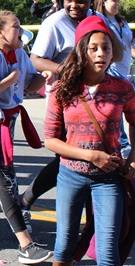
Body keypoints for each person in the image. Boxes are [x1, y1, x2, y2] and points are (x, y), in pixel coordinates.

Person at [44, 15, 135, 265]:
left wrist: (133, 159)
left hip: (108, 179)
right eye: (93, 48)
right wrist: (90, 155)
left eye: (106, 48)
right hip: (70, 175)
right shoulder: (62, 88)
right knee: (64, 246)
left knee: (108, 253)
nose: (100, 54)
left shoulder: (123, 87)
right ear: (82, 51)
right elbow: (50, 140)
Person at [0, 10, 54, 264]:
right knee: (6, 178)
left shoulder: (18, 53)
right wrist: (10, 80)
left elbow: (29, 85)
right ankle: (25, 245)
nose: (20, 30)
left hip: (7, 118)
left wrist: (43, 77)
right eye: (15, 26)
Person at [22, 0, 96, 231]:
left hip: (93, 100)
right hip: (63, 98)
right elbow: (35, 59)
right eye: (69, 2)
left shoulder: (95, 21)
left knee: (83, 159)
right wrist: (67, 71)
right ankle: (29, 199)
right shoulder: (54, 22)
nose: (74, 6)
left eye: (81, 2)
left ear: (91, 2)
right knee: (68, 157)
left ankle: (89, 220)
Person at [95, 0, 135, 159]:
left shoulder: (122, 22)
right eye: (113, 1)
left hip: (125, 70)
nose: (117, 4)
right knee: (116, 108)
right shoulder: (100, 20)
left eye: (118, 1)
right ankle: (123, 146)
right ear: (103, 2)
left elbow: (129, 44)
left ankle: (122, 144)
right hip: (111, 70)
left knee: (127, 108)